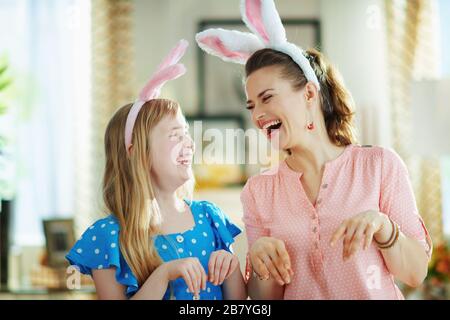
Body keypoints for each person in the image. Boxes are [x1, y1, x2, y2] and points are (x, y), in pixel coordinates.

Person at [196, 0, 433, 299]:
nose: (257, 115)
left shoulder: (379, 165)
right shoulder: (258, 191)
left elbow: (415, 272)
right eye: (252, 105)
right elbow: (263, 300)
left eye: (267, 98)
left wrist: (383, 227)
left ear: (309, 93)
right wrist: (260, 261)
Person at [66, 40, 247, 300]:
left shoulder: (210, 218)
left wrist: (230, 267)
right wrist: (163, 275)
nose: (190, 143)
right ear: (138, 152)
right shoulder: (107, 237)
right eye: (176, 135)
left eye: (186, 133)